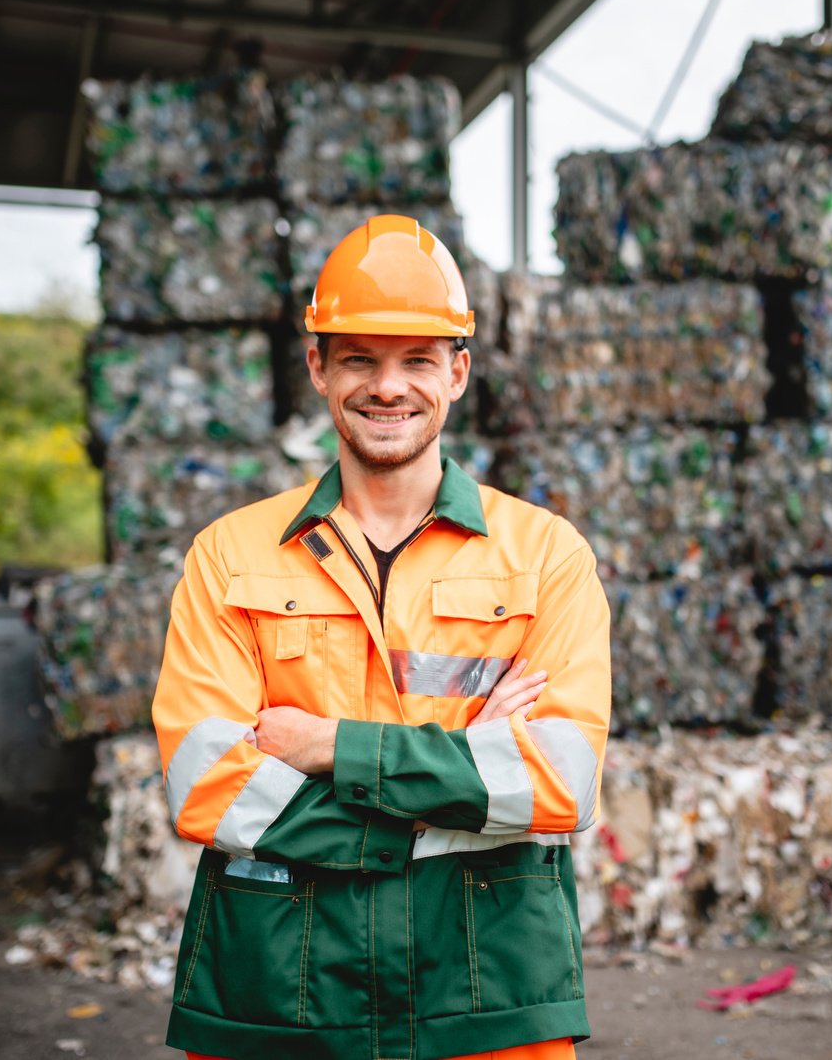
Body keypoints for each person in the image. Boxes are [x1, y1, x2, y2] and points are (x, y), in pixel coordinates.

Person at [151, 213, 611, 1060]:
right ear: (318, 368)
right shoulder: (230, 554)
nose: (387, 387)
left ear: (458, 372)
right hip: (280, 990)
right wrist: (464, 765)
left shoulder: (545, 556)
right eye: (359, 357)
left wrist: (329, 746)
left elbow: (559, 785)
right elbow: (206, 783)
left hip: (486, 985)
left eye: (417, 361)